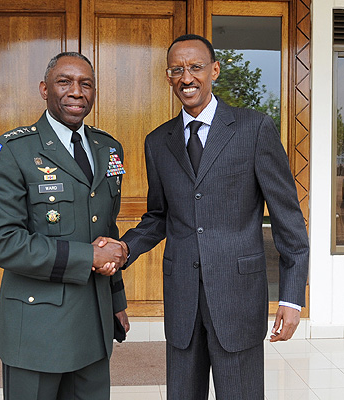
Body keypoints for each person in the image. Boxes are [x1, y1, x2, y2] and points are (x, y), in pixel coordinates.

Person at [99, 34, 309, 399]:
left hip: (238, 298)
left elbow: (287, 218)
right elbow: (160, 216)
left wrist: (291, 298)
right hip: (182, 298)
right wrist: (124, 249)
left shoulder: (254, 128)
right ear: (168, 77)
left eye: (195, 67)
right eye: (177, 70)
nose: (187, 78)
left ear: (214, 70)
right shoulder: (157, 141)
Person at [0, 52, 129, 400]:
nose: (77, 91)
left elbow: (106, 229)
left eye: (86, 84)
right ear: (45, 89)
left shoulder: (109, 149)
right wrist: (87, 256)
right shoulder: (13, 150)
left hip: (94, 323)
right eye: (65, 82)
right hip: (36, 329)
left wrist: (117, 301)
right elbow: (2, 241)